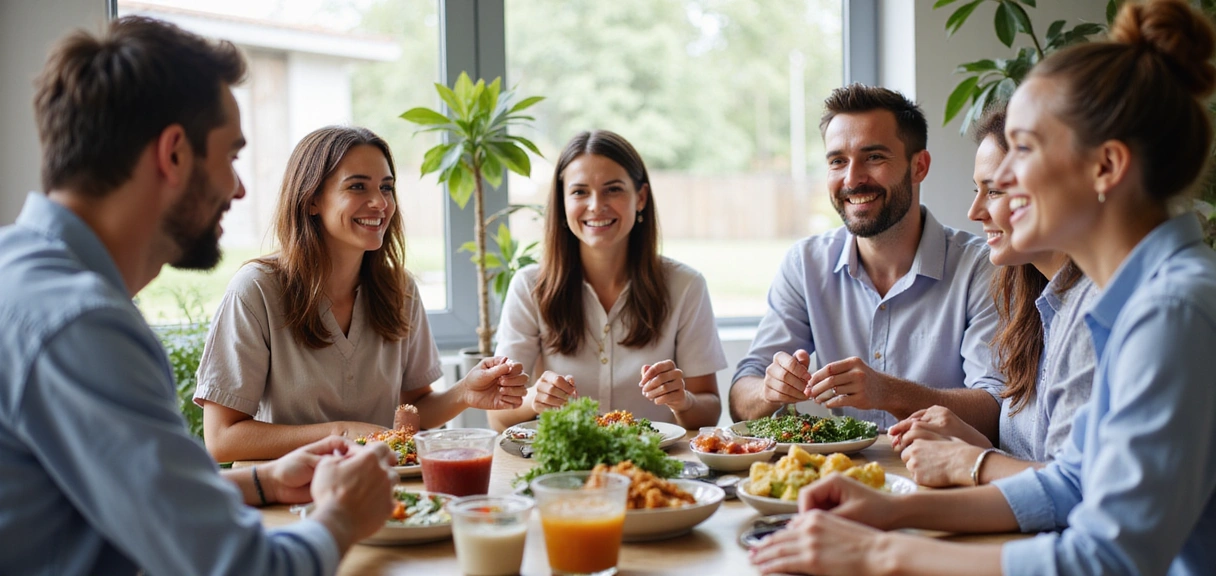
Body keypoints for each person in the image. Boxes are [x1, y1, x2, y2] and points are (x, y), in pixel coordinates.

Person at [749, 1, 1216, 574]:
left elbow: (1109, 556)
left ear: (1105, 168)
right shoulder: (1130, 298)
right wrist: (890, 511)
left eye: (1024, 148)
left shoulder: (1171, 310)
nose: (1001, 182)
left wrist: (880, 552)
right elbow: (1073, 483)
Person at [0, 16, 397, 575]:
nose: (238, 188)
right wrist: (342, 516)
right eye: (231, 156)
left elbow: (118, 495)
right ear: (175, 154)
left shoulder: (22, 275)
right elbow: (244, 568)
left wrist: (263, 480)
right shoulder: (81, 325)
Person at [193, 126, 529, 462]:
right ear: (311, 200)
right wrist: (339, 433)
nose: (380, 203)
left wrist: (465, 392)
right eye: (357, 187)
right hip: (285, 503)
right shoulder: (256, 290)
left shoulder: (401, 290)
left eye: (386, 187)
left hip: (381, 493)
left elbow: (413, 413)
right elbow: (223, 438)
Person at [730, 84, 1004, 439]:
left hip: (941, 480)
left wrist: (888, 392)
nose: (852, 179)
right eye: (837, 161)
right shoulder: (805, 264)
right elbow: (740, 395)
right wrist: (770, 390)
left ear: (918, 166)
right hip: (834, 479)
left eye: (873, 157)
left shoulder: (981, 267)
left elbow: (996, 410)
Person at [888, 105, 1098, 487]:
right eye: (977, 189)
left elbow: (1077, 488)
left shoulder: (1092, 313)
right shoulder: (1035, 306)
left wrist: (972, 461)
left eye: (996, 190)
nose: (973, 212)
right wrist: (970, 440)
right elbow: (1036, 462)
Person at [488, 130, 727, 430]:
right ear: (562, 202)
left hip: (653, 466)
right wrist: (536, 396)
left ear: (640, 198)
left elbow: (709, 411)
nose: (596, 205)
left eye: (613, 189)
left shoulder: (686, 286)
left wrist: (682, 400)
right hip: (565, 470)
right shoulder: (529, 286)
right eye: (579, 192)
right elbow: (497, 416)